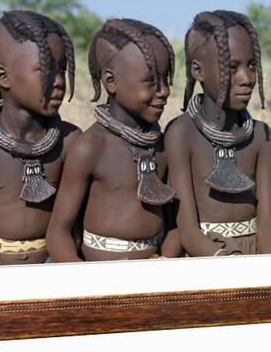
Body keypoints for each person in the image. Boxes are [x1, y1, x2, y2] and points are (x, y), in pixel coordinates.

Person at [47, 18, 182, 262]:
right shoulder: (91, 147)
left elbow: (175, 226)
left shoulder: (162, 144)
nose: (164, 91)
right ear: (111, 82)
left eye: (165, 79)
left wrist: (166, 263)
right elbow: (59, 231)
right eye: (151, 80)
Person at [0, 11, 80, 266]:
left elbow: (75, 230)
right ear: (3, 77)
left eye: (62, 69)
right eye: (45, 69)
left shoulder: (71, 141)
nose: (58, 81)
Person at [164, 10, 271, 256]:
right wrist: (227, 263)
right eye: (232, 67)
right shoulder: (181, 133)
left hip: (255, 255)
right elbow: (187, 229)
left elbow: (267, 223)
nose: (247, 78)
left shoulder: (261, 135)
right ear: (198, 71)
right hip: (206, 256)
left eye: (251, 66)